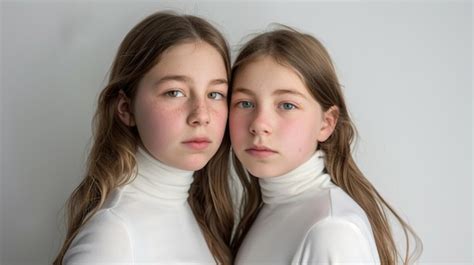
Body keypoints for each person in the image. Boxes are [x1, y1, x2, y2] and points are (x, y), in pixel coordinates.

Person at [229, 26, 422, 264]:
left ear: (326, 123)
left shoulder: (331, 231)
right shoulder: (271, 210)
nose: (259, 124)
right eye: (245, 103)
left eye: (287, 105)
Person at [54, 11, 234, 264]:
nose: (201, 115)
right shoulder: (113, 236)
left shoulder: (201, 217)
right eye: (175, 92)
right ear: (126, 109)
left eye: (215, 94)